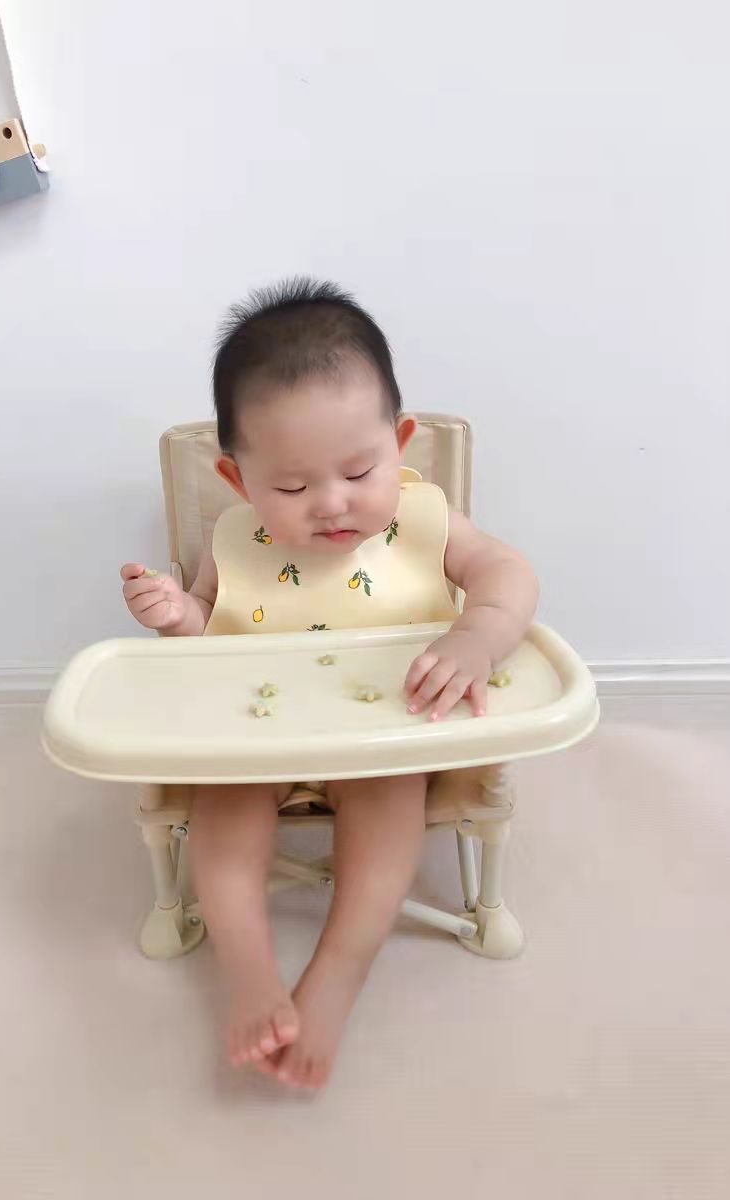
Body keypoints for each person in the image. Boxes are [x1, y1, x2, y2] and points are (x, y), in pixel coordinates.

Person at [120, 278, 539, 1089]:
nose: (332, 503)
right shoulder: (234, 539)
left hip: (383, 731)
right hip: (255, 733)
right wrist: (176, 614)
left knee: (387, 810)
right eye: (290, 487)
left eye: (359, 470)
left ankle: (338, 973)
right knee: (222, 812)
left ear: (400, 443)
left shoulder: (423, 521)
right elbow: (208, 626)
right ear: (239, 482)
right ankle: (250, 975)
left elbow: (508, 573)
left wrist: (477, 635)